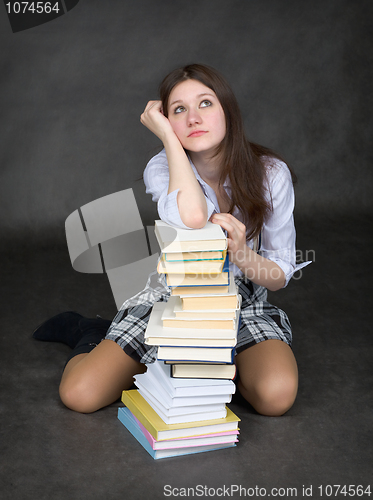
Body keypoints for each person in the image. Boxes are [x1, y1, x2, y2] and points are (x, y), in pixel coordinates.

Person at [34, 64, 308, 416]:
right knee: (79, 394)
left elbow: (280, 276)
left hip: (243, 303)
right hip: (175, 301)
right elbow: (193, 217)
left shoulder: (270, 173)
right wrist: (167, 138)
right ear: (166, 121)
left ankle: (222, 367)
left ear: (229, 111)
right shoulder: (163, 167)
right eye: (179, 110)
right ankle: (91, 333)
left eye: (206, 104)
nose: (193, 118)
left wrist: (241, 254)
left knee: (276, 396)